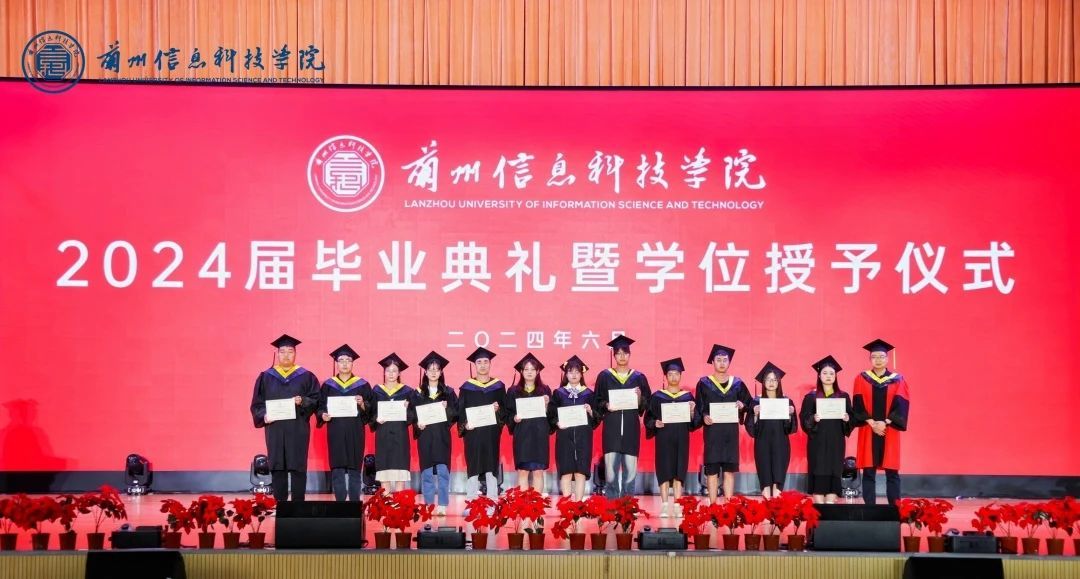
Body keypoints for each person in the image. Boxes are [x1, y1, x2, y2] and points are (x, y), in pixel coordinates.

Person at [249, 334, 320, 502]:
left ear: (295, 354)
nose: (286, 355)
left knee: (298, 467)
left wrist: (303, 401)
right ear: (277, 354)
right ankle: (280, 505)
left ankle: (298, 506)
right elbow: (257, 404)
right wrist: (264, 416)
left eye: (290, 351)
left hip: (298, 429)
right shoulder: (266, 377)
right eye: (282, 352)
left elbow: (316, 400)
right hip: (275, 429)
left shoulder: (306, 376)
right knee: (277, 466)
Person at [851, 339, 910, 505]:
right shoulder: (861, 378)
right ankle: (870, 508)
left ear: (887, 359)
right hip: (868, 428)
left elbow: (902, 403)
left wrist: (886, 422)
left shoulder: (898, 379)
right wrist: (871, 422)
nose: (878, 360)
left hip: (889, 429)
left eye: (881, 356)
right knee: (868, 471)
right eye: (874, 356)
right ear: (870, 359)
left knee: (892, 471)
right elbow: (858, 403)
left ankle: (894, 508)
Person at [593, 335, 652, 498]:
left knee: (630, 468)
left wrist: (639, 398)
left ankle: (627, 504)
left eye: (625, 353)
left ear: (629, 355)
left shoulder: (638, 377)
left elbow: (647, 403)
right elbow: (596, 400)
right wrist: (606, 405)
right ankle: (612, 503)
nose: (622, 356)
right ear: (614, 356)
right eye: (618, 353)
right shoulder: (604, 376)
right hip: (611, 427)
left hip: (631, 428)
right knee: (610, 469)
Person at [695, 344, 753, 504]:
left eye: (725, 360)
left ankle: (728, 506)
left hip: (730, 434)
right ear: (712, 362)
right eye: (718, 360)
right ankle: (713, 505)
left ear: (729, 362)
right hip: (712, 433)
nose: (722, 363)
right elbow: (700, 407)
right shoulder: (704, 383)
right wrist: (704, 417)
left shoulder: (737, 383)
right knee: (712, 471)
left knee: (729, 471)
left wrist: (743, 406)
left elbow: (749, 403)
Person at [645, 358, 700, 518]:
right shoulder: (657, 397)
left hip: (682, 438)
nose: (674, 377)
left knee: (679, 470)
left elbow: (695, 422)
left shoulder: (688, 397)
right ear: (665, 376)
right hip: (663, 438)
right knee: (664, 470)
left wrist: (692, 411)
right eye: (670, 374)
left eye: (676, 374)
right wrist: (655, 423)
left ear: (681, 376)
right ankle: (664, 505)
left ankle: (677, 505)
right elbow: (648, 418)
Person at [316, 344, 371, 501]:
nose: (345, 364)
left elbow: (371, 409)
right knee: (337, 469)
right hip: (336, 432)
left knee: (355, 469)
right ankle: (340, 504)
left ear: (353, 363)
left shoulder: (362, 385)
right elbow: (320, 406)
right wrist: (323, 415)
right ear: (336, 363)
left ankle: (354, 505)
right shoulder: (328, 385)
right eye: (341, 360)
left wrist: (362, 404)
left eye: (348, 360)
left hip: (355, 432)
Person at [799, 355, 853, 504]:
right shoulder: (811, 397)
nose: (828, 376)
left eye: (831, 373)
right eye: (825, 373)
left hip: (836, 442)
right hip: (818, 443)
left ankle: (830, 509)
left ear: (835, 376)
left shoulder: (843, 396)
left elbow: (852, 419)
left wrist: (847, 419)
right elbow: (804, 419)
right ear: (819, 375)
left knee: (833, 473)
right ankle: (819, 511)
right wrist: (813, 419)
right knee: (818, 473)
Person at [410, 351, 457, 515]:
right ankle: (429, 505)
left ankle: (442, 505)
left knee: (443, 471)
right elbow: (412, 414)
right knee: (427, 472)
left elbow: (456, 414)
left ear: (441, 372)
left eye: (437, 369)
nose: (433, 372)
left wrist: (447, 409)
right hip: (425, 436)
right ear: (425, 372)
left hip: (442, 436)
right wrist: (418, 424)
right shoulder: (417, 393)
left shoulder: (448, 392)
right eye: (430, 369)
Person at [456, 347, 506, 498]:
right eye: (479, 362)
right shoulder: (467, 388)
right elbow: (461, 411)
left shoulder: (498, 386)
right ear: (475, 365)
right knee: (473, 465)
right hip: (473, 434)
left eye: (486, 362)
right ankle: (471, 500)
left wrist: (498, 410)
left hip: (491, 434)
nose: (483, 365)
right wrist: (465, 425)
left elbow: (506, 410)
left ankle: (492, 499)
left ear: (490, 364)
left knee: (491, 465)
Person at [744, 361, 797, 499]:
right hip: (762, 443)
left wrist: (790, 415)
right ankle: (767, 503)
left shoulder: (786, 401)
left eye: (774, 379)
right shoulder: (756, 402)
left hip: (781, 443)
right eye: (768, 379)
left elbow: (790, 428)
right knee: (765, 475)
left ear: (779, 382)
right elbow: (751, 430)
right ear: (763, 382)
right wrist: (755, 415)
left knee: (778, 475)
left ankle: (777, 507)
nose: (771, 382)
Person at [548, 355, 598, 501]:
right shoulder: (558, 393)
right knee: (566, 472)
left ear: (581, 374)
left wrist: (590, 411)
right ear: (566, 374)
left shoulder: (589, 394)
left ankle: (578, 505)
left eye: (577, 372)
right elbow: (551, 414)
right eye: (570, 372)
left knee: (580, 472)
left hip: (583, 438)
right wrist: (557, 422)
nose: (574, 375)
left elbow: (596, 418)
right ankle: (567, 506)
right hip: (564, 437)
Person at [504, 353, 552, 494]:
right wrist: (514, 418)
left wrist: (547, 405)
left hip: (539, 435)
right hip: (522, 435)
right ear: (521, 371)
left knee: (538, 471)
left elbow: (552, 415)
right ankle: (523, 504)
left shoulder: (545, 390)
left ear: (537, 371)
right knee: (523, 471)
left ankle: (537, 504)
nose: (529, 372)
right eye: (526, 369)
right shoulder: (513, 391)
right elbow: (508, 413)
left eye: (532, 369)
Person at [370, 353, 414, 492]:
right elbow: (371, 412)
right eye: (388, 370)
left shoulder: (407, 391)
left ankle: (400, 503)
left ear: (399, 373)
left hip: (400, 436)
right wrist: (376, 419)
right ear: (384, 372)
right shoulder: (376, 391)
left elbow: (412, 416)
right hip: (383, 435)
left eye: (394, 371)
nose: (391, 373)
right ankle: (386, 502)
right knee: (384, 471)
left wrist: (407, 409)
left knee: (400, 472)